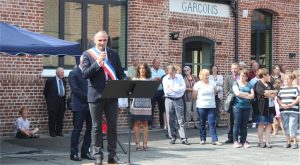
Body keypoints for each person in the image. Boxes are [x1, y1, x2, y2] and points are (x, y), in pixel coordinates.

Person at [81, 31, 127, 165]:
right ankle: (97, 156)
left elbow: (120, 73)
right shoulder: (87, 55)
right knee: (96, 127)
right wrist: (98, 62)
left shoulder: (114, 54)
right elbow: (85, 74)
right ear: (95, 41)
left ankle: (112, 155)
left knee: (112, 127)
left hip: (112, 95)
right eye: (100, 40)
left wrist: (124, 80)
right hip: (95, 95)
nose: (102, 43)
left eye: (104, 40)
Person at [69, 56, 94, 161]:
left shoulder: (90, 72)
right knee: (77, 130)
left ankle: (85, 152)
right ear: (81, 61)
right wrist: (89, 98)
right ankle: (74, 153)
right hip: (79, 106)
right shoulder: (73, 73)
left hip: (91, 106)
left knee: (90, 129)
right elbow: (75, 90)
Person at [193, 69, 222, 146]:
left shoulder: (213, 83)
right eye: (205, 75)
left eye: (208, 75)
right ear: (201, 76)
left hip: (211, 106)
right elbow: (194, 96)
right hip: (201, 106)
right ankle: (202, 139)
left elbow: (215, 92)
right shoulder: (197, 84)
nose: (207, 76)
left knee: (212, 123)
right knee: (202, 123)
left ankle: (215, 139)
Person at [163, 64, 190, 145]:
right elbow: (167, 91)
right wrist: (177, 90)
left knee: (181, 119)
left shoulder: (180, 77)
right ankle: (172, 137)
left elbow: (183, 88)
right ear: (167, 72)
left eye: (173, 72)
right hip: (169, 99)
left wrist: (172, 89)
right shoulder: (165, 79)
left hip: (179, 99)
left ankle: (184, 138)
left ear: (175, 71)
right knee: (170, 119)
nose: (171, 74)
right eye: (170, 72)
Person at [253, 68, 277, 148]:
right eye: (268, 75)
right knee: (261, 124)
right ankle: (261, 142)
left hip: (270, 107)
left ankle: (267, 142)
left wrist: (268, 93)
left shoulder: (270, 84)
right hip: (261, 108)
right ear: (264, 75)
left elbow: (275, 93)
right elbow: (262, 93)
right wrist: (269, 92)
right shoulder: (258, 84)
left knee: (269, 124)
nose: (269, 76)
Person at [131, 63, 152, 151]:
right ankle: (137, 144)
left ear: (146, 70)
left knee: (145, 123)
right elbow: (131, 91)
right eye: (140, 68)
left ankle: (145, 143)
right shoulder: (135, 79)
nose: (142, 70)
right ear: (138, 70)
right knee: (137, 123)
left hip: (146, 104)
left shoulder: (149, 80)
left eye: (143, 68)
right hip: (136, 104)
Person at [232, 69, 254, 148]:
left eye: (244, 76)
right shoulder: (236, 83)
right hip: (238, 107)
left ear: (247, 77)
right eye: (241, 75)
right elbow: (237, 93)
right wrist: (247, 94)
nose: (242, 77)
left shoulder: (249, 84)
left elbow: (252, 95)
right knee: (237, 124)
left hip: (247, 107)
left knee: (244, 125)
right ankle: (235, 141)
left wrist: (243, 94)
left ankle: (243, 141)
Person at [277, 73, 300, 149]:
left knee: (292, 125)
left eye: (288, 79)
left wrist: (292, 104)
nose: (286, 80)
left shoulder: (296, 88)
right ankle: (288, 142)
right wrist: (282, 104)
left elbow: (298, 98)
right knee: (286, 126)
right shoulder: (281, 89)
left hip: (293, 110)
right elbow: (278, 99)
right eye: (285, 79)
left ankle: (295, 142)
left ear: (292, 79)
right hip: (284, 110)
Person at [43, 67, 66, 137]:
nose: (63, 74)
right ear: (57, 73)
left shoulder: (64, 81)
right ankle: (52, 132)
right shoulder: (50, 81)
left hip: (61, 101)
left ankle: (59, 131)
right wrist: (49, 102)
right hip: (53, 102)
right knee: (52, 118)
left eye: (63, 72)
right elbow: (45, 92)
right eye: (61, 72)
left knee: (60, 117)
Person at [224, 63, 240, 143]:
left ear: (238, 69)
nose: (234, 70)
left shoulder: (241, 78)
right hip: (230, 102)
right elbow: (225, 90)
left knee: (238, 120)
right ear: (231, 69)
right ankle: (230, 138)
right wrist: (231, 96)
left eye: (236, 68)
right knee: (230, 121)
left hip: (240, 102)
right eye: (233, 68)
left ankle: (239, 138)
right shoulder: (228, 78)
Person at [150, 58, 166, 129]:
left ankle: (162, 124)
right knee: (151, 108)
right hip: (152, 91)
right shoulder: (149, 71)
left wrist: (161, 79)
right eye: (157, 63)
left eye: (159, 63)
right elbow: (146, 79)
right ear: (153, 63)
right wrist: (153, 79)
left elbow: (165, 79)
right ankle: (150, 124)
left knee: (162, 108)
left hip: (161, 91)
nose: (158, 64)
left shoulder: (162, 71)